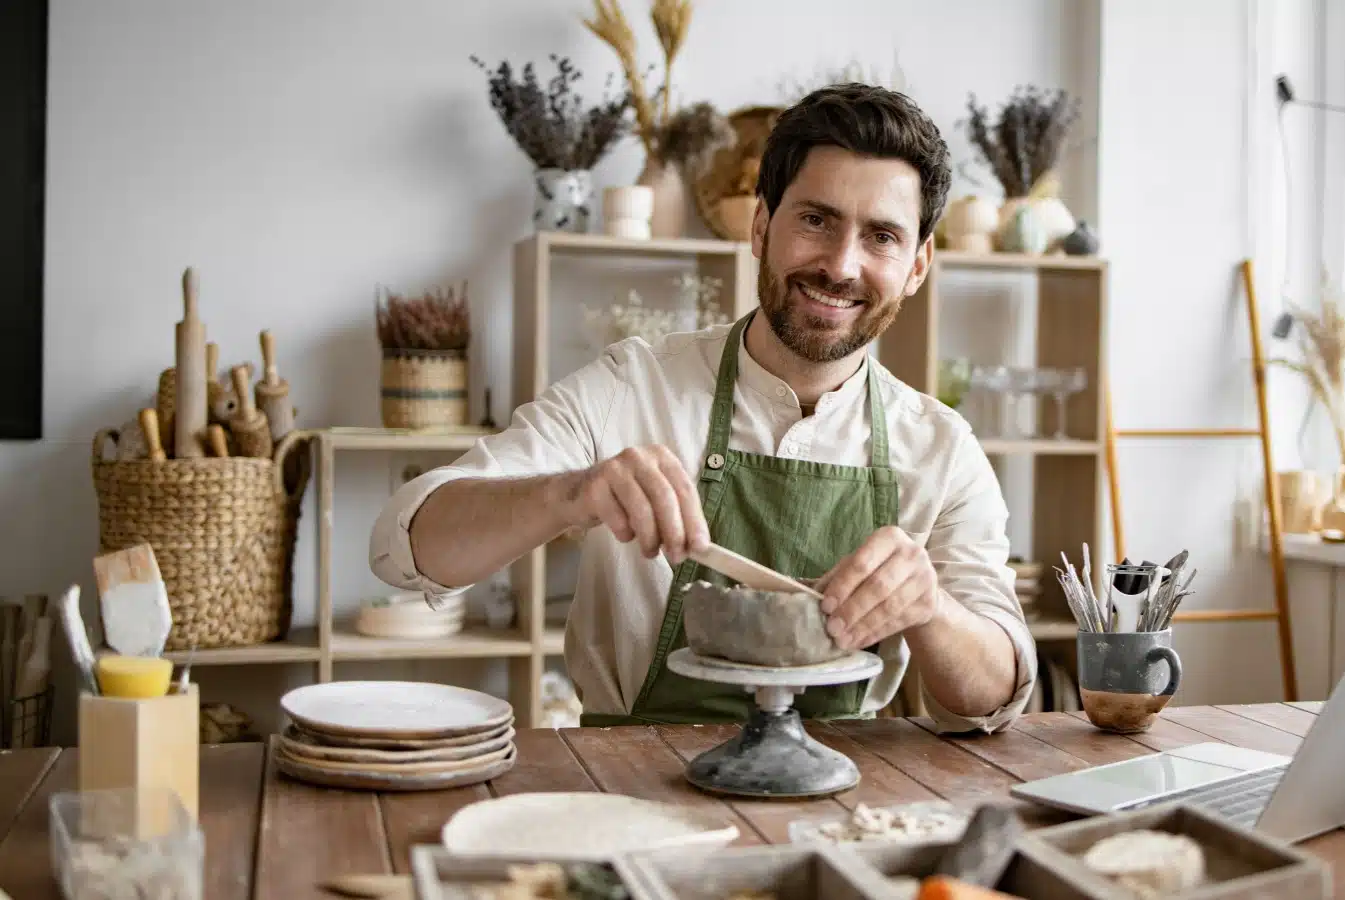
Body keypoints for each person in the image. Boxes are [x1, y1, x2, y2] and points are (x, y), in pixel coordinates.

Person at [370, 83, 1036, 732]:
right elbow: (405, 547)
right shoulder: (631, 387)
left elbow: (996, 694)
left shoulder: (942, 449)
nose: (840, 266)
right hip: (632, 781)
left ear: (918, 265)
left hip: (841, 784)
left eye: (881, 237)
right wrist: (569, 494)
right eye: (815, 220)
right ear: (761, 226)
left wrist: (931, 608)